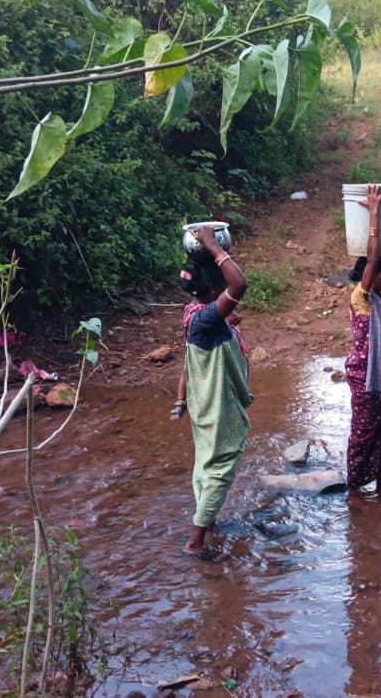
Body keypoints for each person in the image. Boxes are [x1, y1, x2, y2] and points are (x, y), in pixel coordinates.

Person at [170, 227, 251, 561]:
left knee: (206, 465)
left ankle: (209, 522)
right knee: (220, 468)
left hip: (205, 406)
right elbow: (239, 284)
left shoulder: (198, 317)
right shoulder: (206, 320)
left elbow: (189, 363)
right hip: (218, 411)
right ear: (216, 291)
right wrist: (212, 245)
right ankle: (195, 540)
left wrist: (180, 401)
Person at [344, 185, 381, 494]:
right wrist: (375, 215)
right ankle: (354, 489)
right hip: (367, 384)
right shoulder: (361, 298)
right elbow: (370, 261)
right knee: (364, 435)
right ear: (372, 275)